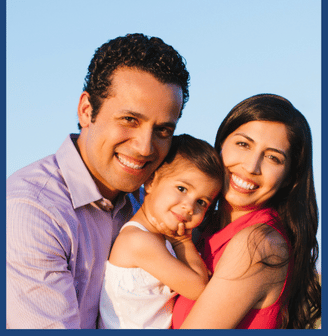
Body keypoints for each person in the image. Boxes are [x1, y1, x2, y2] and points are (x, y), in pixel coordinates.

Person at [6, 33, 190, 329]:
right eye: (130, 119)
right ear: (86, 110)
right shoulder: (32, 210)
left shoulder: (151, 207)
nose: (145, 147)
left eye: (163, 130)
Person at [172, 94, 321, 329]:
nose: (251, 166)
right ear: (221, 145)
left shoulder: (258, 244)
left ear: (288, 178)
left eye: (273, 157)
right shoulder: (202, 226)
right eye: (243, 144)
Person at [98, 134, 223, 329]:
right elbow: (199, 288)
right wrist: (182, 242)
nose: (190, 207)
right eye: (182, 188)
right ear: (150, 182)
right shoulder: (138, 241)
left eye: (201, 202)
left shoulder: (159, 237)